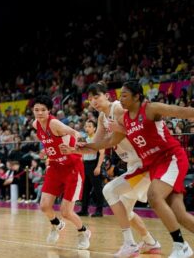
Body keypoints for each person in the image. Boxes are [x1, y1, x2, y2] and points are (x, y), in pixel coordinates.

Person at [81, 81, 194, 258]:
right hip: (152, 164)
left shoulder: (150, 108)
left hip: (169, 158)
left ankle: (180, 245)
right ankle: (150, 242)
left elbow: (182, 111)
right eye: (120, 95)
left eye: (125, 96)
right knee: (179, 214)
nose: (121, 99)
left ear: (137, 96)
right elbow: (109, 142)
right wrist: (80, 148)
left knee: (152, 197)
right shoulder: (125, 119)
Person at [63, 82, 161, 257]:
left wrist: (120, 129)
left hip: (144, 163)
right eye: (90, 99)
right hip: (133, 164)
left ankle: (130, 244)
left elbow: (138, 127)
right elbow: (98, 144)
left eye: (97, 96)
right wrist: (75, 149)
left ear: (107, 96)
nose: (94, 101)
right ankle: (151, 242)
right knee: (126, 210)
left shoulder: (117, 109)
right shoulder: (102, 117)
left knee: (110, 191)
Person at [32, 95, 90, 250]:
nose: (39, 113)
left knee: (66, 211)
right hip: (55, 166)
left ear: (49, 110)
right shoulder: (35, 124)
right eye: (36, 110)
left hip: (72, 167)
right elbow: (50, 142)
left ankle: (83, 232)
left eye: (43, 110)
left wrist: (76, 144)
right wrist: (46, 151)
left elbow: (75, 133)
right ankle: (56, 225)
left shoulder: (55, 123)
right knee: (44, 206)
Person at [78, 119, 105, 217]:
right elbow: (80, 153)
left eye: (90, 126)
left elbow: (102, 153)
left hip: (94, 164)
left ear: (94, 128)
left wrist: (98, 167)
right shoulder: (83, 138)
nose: (87, 128)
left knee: (97, 189)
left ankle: (99, 211)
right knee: (85, 189)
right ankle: (84, 210)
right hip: (85, 165)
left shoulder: (98, 139)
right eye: (86, 126)